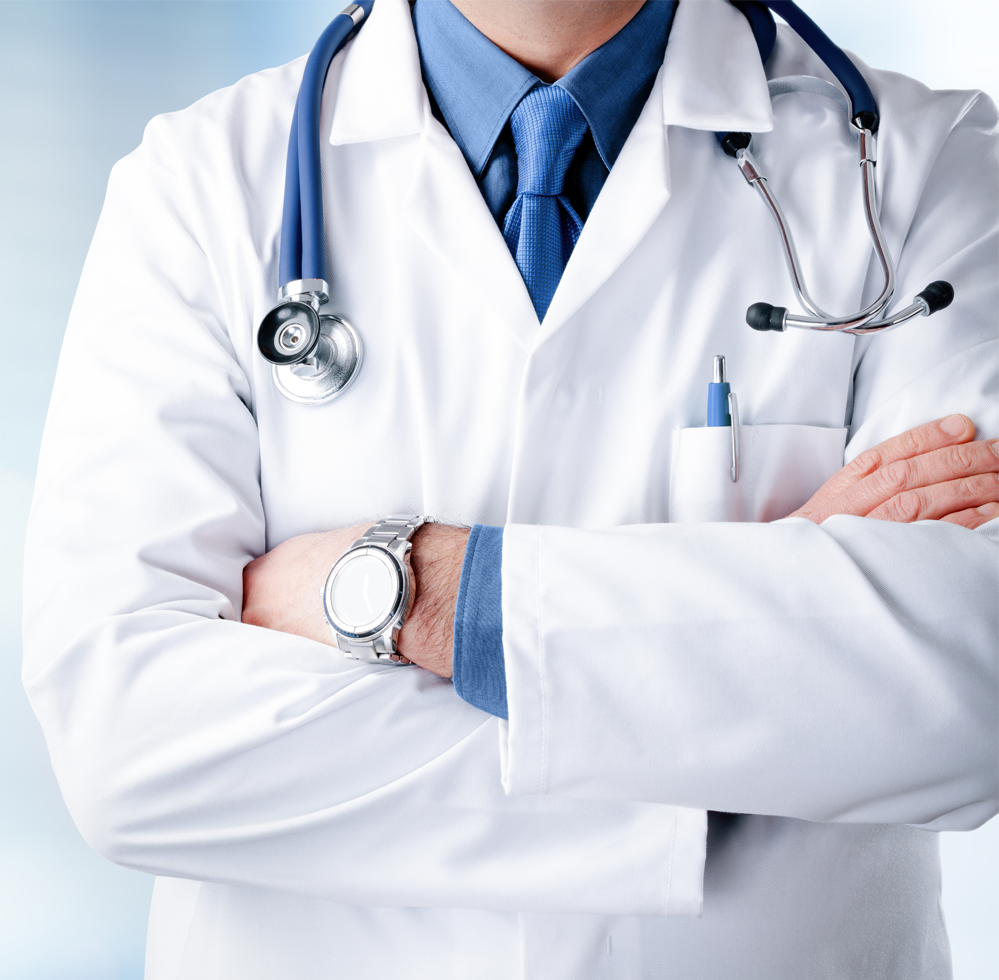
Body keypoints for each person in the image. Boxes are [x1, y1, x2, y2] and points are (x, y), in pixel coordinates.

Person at [21, 0, 999, 976]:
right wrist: (754, 685)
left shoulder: (929, 167)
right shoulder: (201, 185)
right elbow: (128, 744)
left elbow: (969, 679)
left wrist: (424, 591)